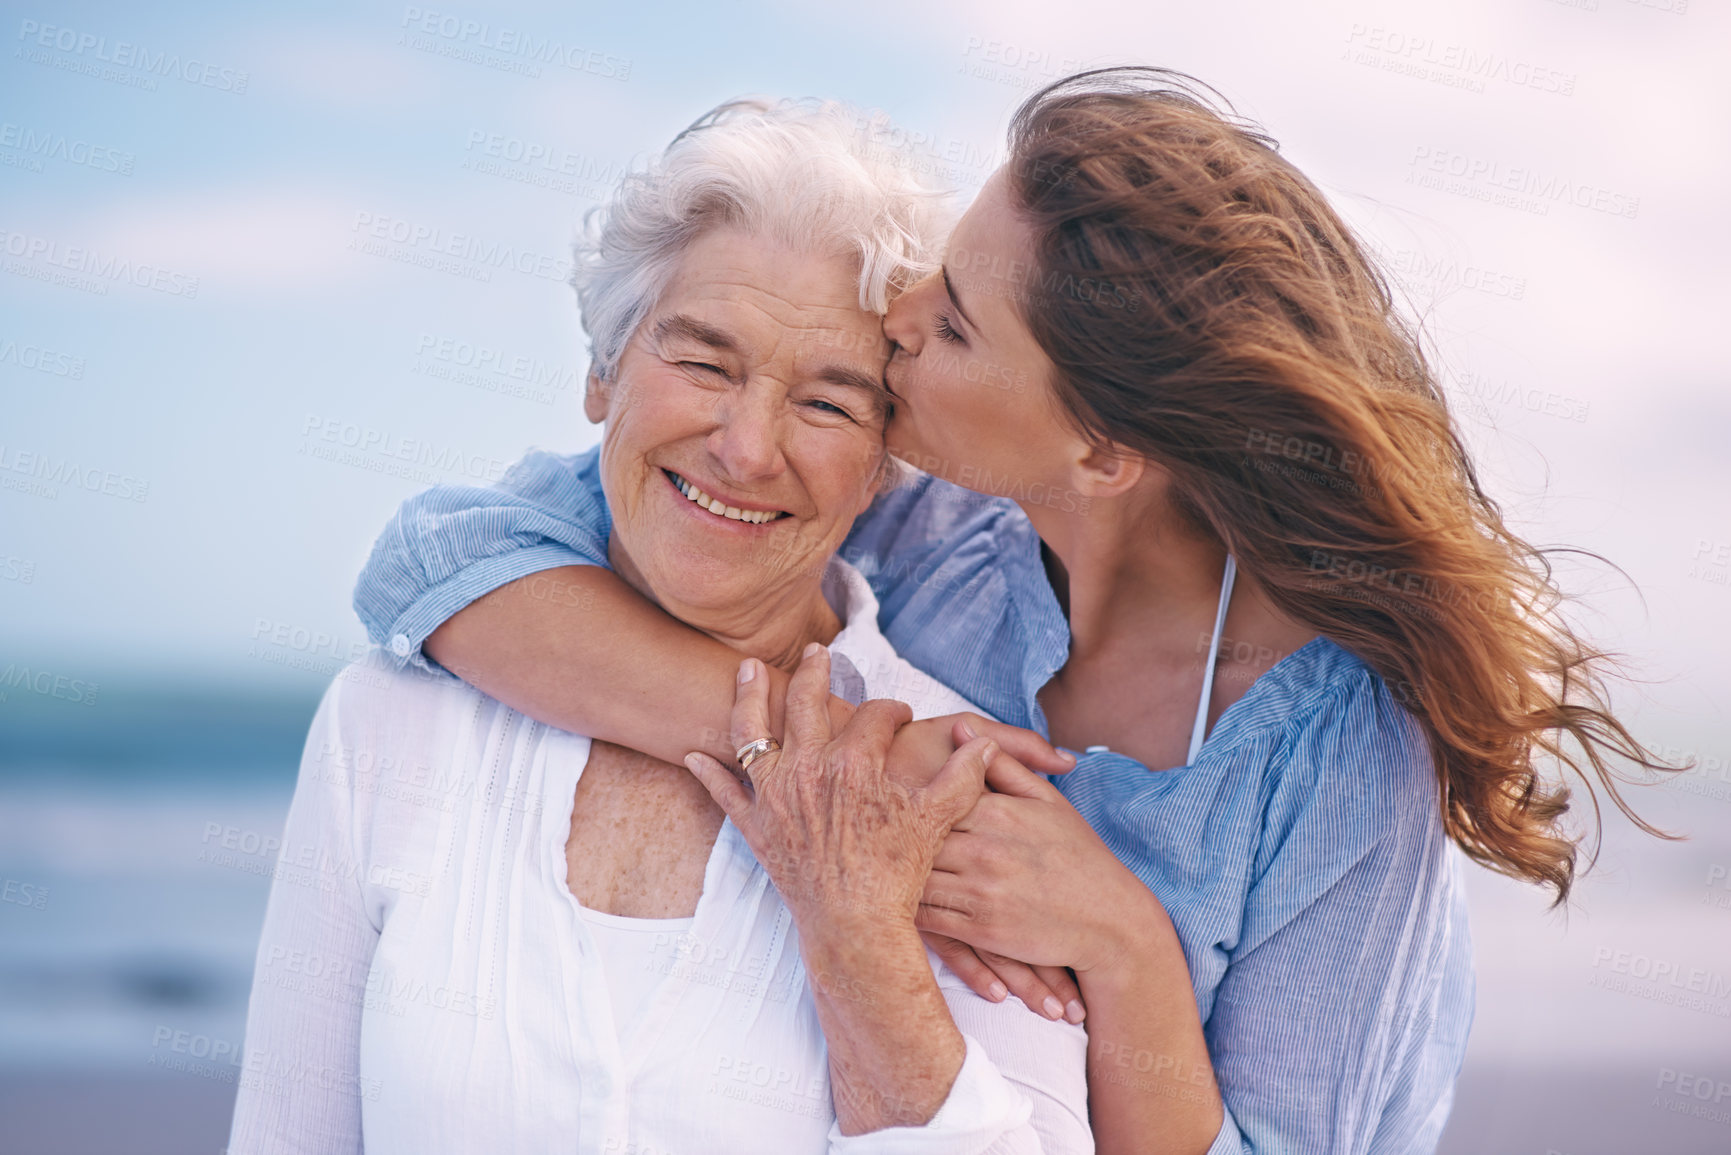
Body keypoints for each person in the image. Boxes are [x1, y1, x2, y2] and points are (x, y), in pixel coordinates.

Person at [353, 69, 1670, 1154]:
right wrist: (821, 747)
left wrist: (1122, 944)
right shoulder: (926, 532)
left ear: (1102, 451)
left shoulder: (1335, 744)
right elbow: (434, 557)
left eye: (960, 323)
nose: (899, 313)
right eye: (943, 268)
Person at [228, 98, 1093, 1155]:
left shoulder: (949, 781)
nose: (743, 447)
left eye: (826, 403)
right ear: (602, 374)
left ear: (885, 464)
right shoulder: (392, 719)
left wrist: (859, 931)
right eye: (704, 364)